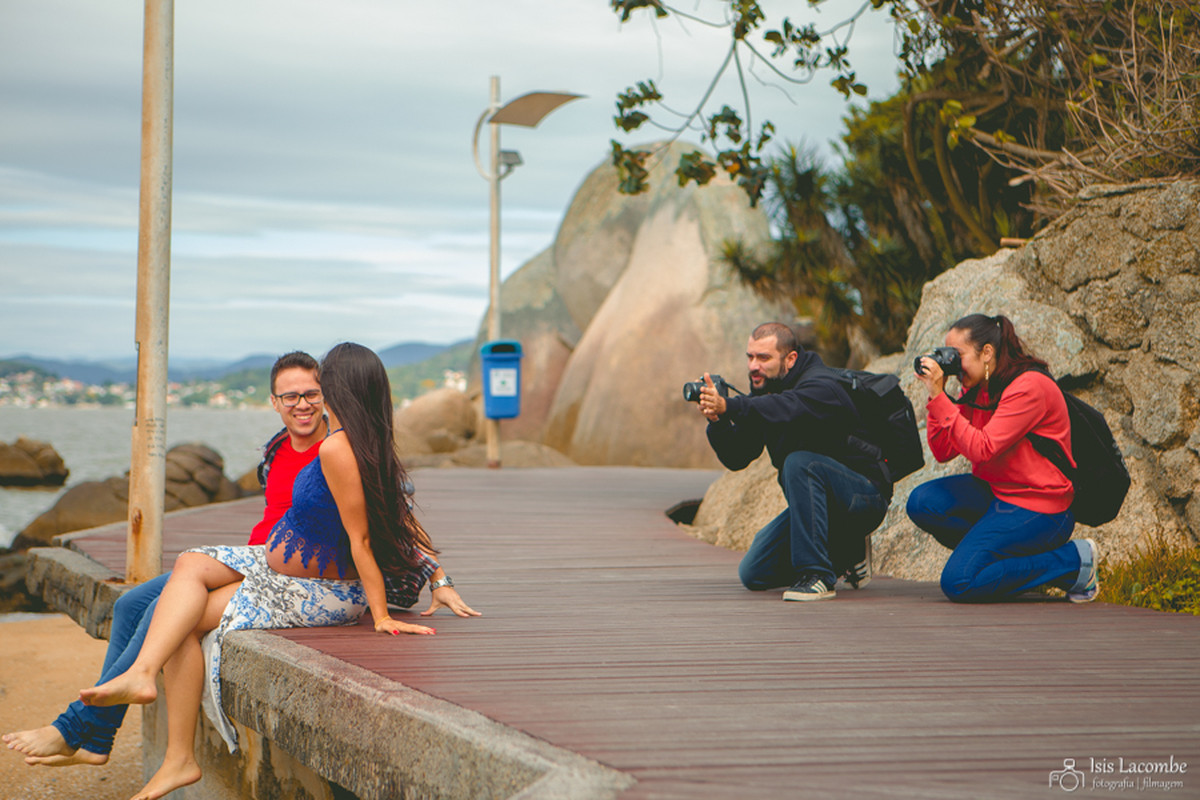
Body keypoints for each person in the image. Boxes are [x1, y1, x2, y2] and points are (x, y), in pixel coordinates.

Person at [76, 342, 479, 800]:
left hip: (316, 590)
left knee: (180, 618)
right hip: (278, 567)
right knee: (185, 566)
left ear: (340, 389)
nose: (312, 397)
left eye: (321, 386)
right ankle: (151, 699)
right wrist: (439, 578)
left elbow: (366, 537)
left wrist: (385, 613)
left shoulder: (340, 450)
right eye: (295, 394)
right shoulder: (344, 445)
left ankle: (171, 750)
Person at [3, 350, 330, 767]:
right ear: (274, 402)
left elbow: (375, 515)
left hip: (284, 571)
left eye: (310, 394)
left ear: (325, 396)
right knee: (129, 604)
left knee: (165, 608)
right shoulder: (279, 447)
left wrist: (434, 577)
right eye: (290, 397)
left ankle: (71, 728)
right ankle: (98, 741)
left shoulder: (332, 451)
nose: (301, 404)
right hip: (252, 556)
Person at [906, 313, 1099, 603]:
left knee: (959, 582)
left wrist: (939, 398)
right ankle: (1001, 565)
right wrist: (939, 396)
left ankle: (1073, 563)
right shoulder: (979, 385)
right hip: (997, 494)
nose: (953, 365)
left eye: (958, 356)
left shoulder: (1028, 387)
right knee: (922, 503)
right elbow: (943, 451)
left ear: (987, 352)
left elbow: (982, 448)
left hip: (1040, 507)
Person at [698, 322, 890, 601]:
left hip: (864, 497)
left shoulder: (822, 385)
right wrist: (717, 422)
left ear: (790, 359)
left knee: (800, 462)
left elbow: (788, 408)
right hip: (820, 508)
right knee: (753, 573)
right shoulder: (765, 394)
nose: (753, 366)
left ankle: (818, 576)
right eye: (750, 357)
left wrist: (731, 406)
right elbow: (738, 457)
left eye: (764, 358)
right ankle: (847, 548)